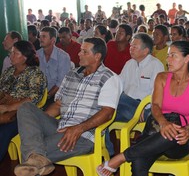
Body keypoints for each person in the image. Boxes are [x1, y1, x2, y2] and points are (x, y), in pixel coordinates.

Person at [14, 38, 123, 176]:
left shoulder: (110, 78)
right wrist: (40, 123)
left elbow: (107, 112)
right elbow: (58, 104)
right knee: (26, 107)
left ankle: (34, 159)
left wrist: (78, 129)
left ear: (97, 56)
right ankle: (36, 158)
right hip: (61, 126)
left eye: (84, 51)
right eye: (80, 50)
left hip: (84, 135)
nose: (79, 54)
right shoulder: (72, 74)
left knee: (30, 153)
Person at [97, 41, 189, 176]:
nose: (168, 60)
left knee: (173, 132)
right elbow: (155, 106)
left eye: (173, 55)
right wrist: (163, 123)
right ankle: (125, 157)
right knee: (138, 162)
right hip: (156, 128)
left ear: (187, 58)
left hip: (180, 139)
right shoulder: (162, 77)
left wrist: (188, 129)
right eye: (168, 56)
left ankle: (120, 158)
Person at [0, 41, 47, 162]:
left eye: (15, 53)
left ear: (25, 57)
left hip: (23, 115)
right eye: (11, 53)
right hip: (4, 109)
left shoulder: (35, 74)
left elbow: (34, 98)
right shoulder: (9, 71)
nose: (11, 56)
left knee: (2, 133)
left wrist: (8, 108)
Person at [37, 27, 71, 107]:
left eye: (44, 37)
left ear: (53, 40)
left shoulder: (63, 57)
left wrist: (46, 97)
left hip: (55, 96)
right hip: (38, 95)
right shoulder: (37, 55)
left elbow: (61, 83)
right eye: (40, 36)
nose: (40, 39)